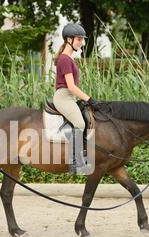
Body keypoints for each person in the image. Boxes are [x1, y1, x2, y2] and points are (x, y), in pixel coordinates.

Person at [53, 23, 97, 175]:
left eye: (82, 39)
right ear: (69, 39)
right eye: (79, 39)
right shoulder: (65, 59)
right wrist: (89, 99)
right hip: (64, 97)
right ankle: (75, 163)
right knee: (79, 123)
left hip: (69, 97)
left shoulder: (68, 59)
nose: (82, 43)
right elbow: (71, 86)